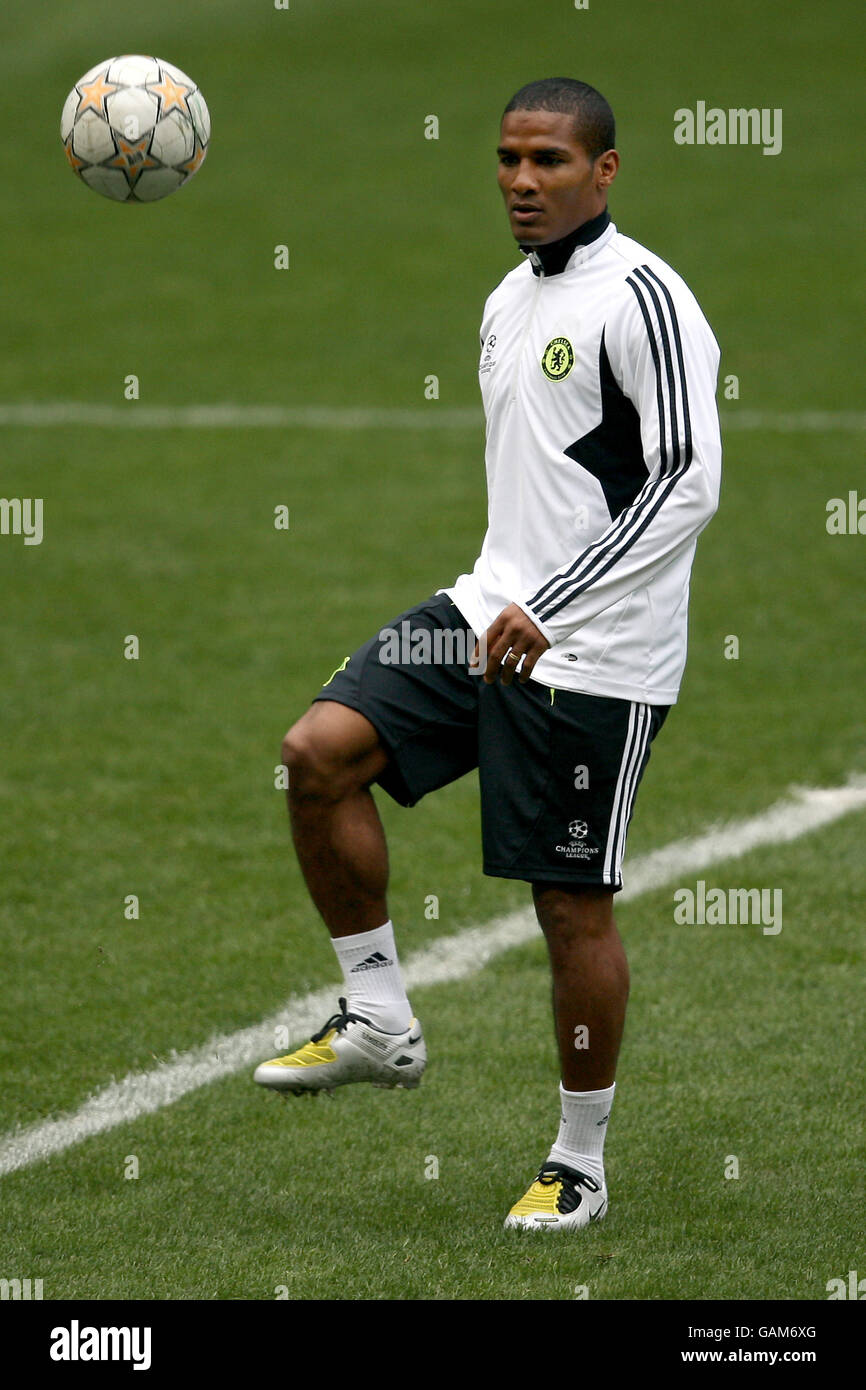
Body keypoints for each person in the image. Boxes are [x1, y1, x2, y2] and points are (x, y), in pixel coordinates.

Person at [254, 78, 722, 1231]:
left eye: (549, 162)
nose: (522, 182)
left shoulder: (646, 299)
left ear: (602, 171)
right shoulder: (506, 300)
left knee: (567, 906)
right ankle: (377, 1016)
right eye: (508, 160)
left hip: (594, 653)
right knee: (317, 753)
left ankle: (578, 1165)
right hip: (484, 612)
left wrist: (554, 603)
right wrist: (515, 597)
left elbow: (684, 481)